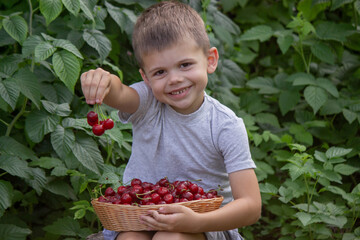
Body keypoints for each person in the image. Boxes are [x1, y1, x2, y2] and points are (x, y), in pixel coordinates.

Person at [80, 1, 261, 240]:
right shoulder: (147, 103)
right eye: (160, 72)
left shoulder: (225, 125)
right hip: (140, 218)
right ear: (146, 78)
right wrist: (102, 80)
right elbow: (119, 94)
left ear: (210, 60)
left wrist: (197, 222)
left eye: (185, 65)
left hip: (207, 225)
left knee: (171, 237)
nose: (174, 79)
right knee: (130, 238)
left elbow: (251, 206)